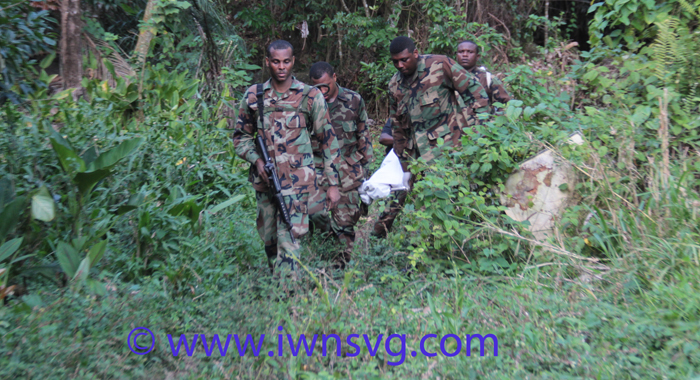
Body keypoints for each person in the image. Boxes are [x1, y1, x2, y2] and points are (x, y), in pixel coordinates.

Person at [232, 40, 341, 276]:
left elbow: (328, 141)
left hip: (297, 184)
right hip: (266, 183)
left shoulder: (309, 96)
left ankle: (290, 297)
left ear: (293, 62)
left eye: (286, 61)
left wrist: (333, 184)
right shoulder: (254, 95)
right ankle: (279, 288)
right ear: (267, 62)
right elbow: (240, 137)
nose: (281, 67)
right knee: (270, 242)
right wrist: (256, 160)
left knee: (289, 240)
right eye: (275, 61)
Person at [371, 36, 490, 238]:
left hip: (448, 149)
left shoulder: (439, 65)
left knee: (450, 198)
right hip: (415, 155)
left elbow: (475, 92)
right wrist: (403, 161)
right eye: (395, 61)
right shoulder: (395, 85)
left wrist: (478, 131)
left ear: (415, 54)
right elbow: (398, 127)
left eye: (404, 59)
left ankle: (461, 238)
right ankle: (380, 240)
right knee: (403, 199)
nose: (400, 65)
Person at [307, 61, 374, 268]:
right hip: (319, 169)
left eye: (326, 85)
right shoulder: (307, 103)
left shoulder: (354, 100)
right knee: (315, 215)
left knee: (345, 223)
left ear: (335, 78)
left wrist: (366, 169)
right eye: (317, 87)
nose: (322, 91)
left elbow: (363, 134)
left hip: (348, 170)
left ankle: (342, 267)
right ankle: (321, 256)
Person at [456, 40, 512, 113]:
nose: (465, 55)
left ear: (477, 56)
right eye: (461, 52)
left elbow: (506, 104)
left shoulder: (488, 78)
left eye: (470, 52)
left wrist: (495, 121)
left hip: (481, 122)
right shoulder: (447, 77)